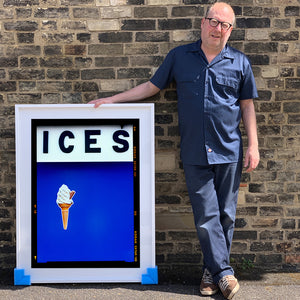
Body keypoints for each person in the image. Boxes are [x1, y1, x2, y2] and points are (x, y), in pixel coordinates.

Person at [89, 2, 259, 299]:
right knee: (207, 216)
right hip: (195, 151)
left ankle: (211, 274)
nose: (218, 29)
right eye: (213, 21)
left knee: (226, 216)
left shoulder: (240, 62)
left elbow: (247, 106)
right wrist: (113, 100)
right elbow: (151, 87)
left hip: (230, 150)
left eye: (225, 25)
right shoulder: (179, 57)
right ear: (203, 22)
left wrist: (254, 145)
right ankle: (225, 274)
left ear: (231, 31)